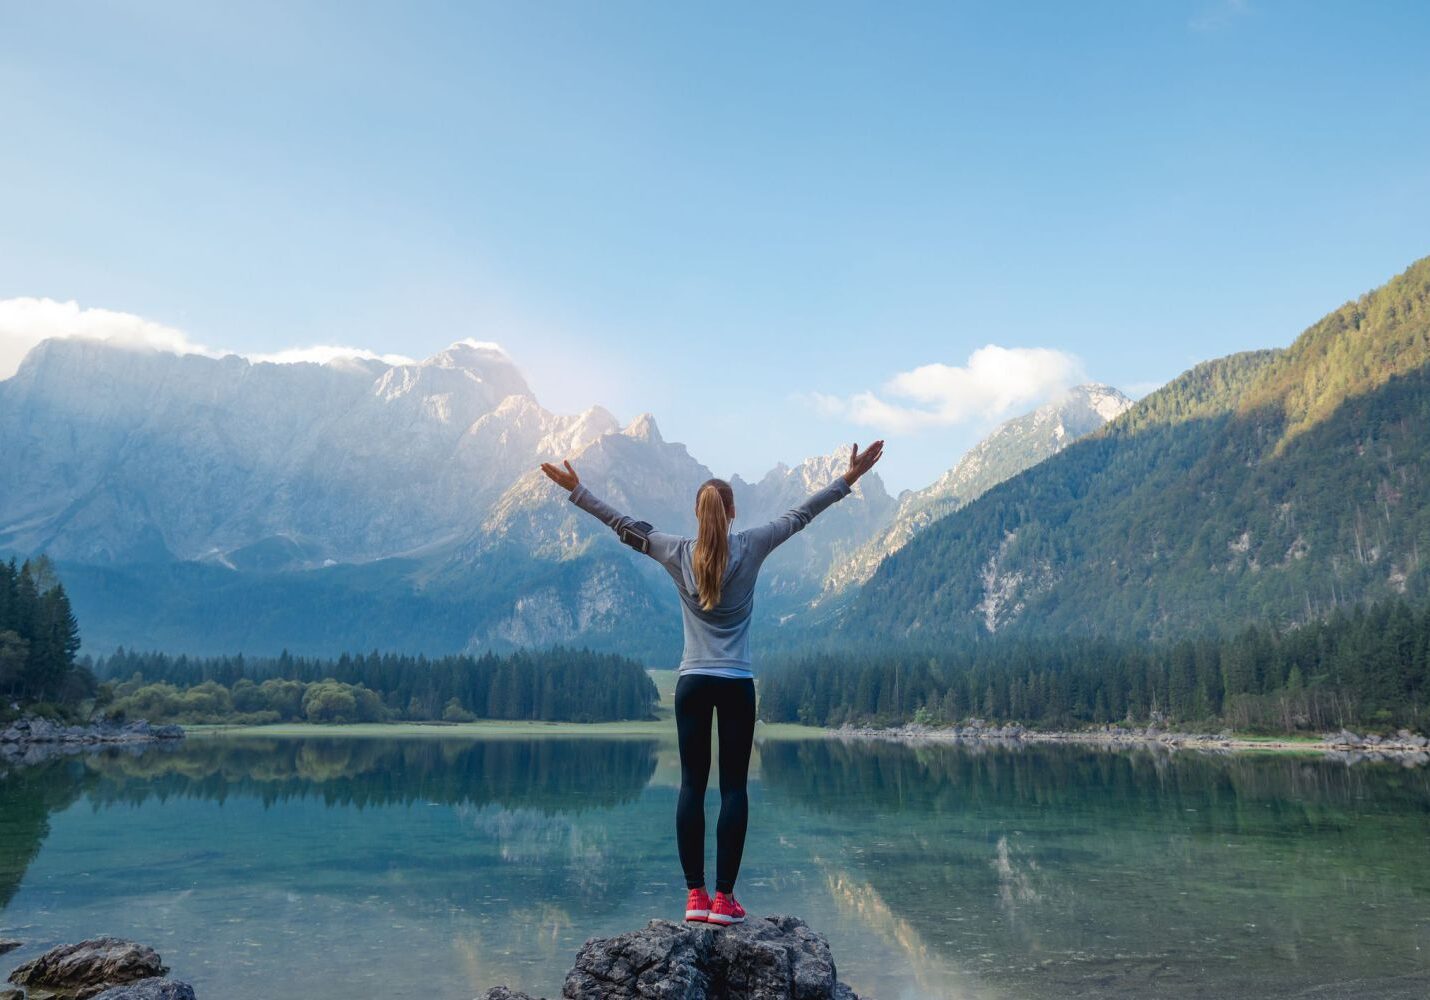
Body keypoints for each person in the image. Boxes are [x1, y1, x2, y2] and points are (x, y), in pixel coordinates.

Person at [539, 439, 884, 926]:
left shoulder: (674, 551)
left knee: (691, 787)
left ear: (699, 514)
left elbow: (622, 525)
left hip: (692, 684)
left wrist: (579, 491)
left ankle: (695, 898)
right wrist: (848, 479)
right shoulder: (754, 544)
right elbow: (803, 513)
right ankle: (725, 900)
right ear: (732, 512)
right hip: (736, 684)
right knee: (734, 790)